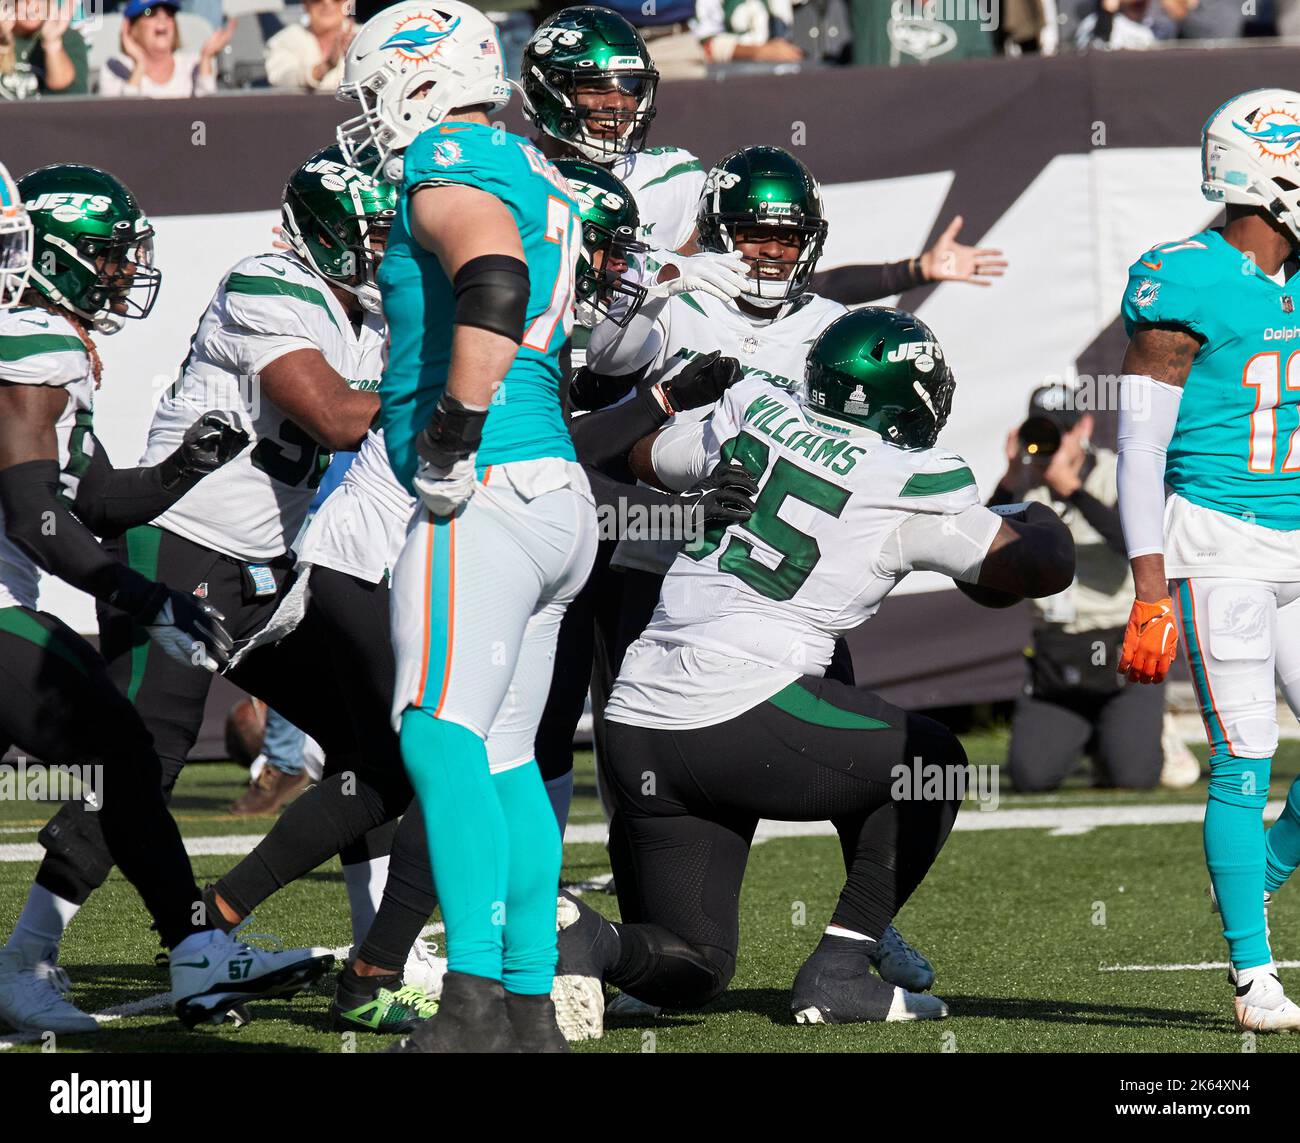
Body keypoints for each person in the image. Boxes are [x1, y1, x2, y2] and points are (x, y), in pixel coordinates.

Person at [552, 307, 1074, 1037]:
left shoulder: (754, 408)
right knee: (934, 762)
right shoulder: (916, 473)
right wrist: (1042, 512)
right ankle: (840, 971)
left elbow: (639, 458)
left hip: (639, 714)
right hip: (742, 706)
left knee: (693, 965)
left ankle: (583, 936)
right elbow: (1037, 569)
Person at [0, 149, 392, 1030]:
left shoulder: (58, 345)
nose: (122, 272)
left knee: (376, 739)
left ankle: (369, 958)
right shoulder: (263, 284)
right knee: (135, 756)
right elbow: (332, 415)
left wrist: (181, 465)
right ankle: (52, 952)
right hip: (186, 557)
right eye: (106, 256)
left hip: (265, 568)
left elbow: (93, 496)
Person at [336, 0, 601, 1053]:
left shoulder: (448, 156)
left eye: (371, 88)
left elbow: (493, 276)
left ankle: (475, 1005)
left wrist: (450, 433)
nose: (366, 114)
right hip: (553, 497)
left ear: (417, 76)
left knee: (436, 737)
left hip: (485, 492)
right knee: (497, 756)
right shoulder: (532, 165)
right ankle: (529, 1008)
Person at [1114, 88, 1300, 1033]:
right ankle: (1253, 977)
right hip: (1220, 540)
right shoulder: (1182, 276)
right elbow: (1140, 447)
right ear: (1265, 176)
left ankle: (1253, 878)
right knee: (1245, 760)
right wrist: (1148, 587)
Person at [993, 384, 1168, 793]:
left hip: (1122, 653)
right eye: (1043, 433)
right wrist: (1007, 483)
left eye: (1063, 432)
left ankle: (1131, 735)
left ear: (1085, 427)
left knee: (1134, 778)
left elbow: (1132, 542)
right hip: (1058, 655)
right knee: (1031, 778)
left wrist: (1072, 489)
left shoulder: (1116, 471)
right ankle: (1087, 734)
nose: (1051, 445)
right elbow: (980, 556)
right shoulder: (1024, 485)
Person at [99, 0, 234, 99]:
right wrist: (139, 67)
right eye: (150, 12)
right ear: (130, 27)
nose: (162, 18)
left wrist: (206, 59)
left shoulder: (192, 65)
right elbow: (119, 124)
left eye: (169, 13)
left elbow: (209, 121)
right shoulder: (115, 68)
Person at [0, 0, 88, 99]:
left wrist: (52, 43)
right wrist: (3, 40)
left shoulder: (69, 38)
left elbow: (68, 95)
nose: (32, 5)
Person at [265, 0, 354, 93]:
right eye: (317, 0)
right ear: (305, 4)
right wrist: (323, 68)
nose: (327, 3)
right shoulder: (283, 40)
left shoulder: (365, 37)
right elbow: (280, 79)